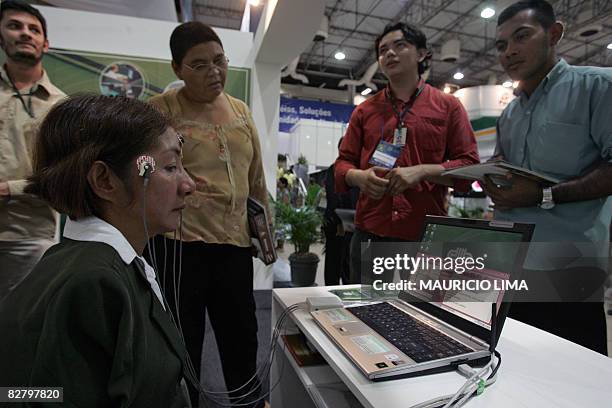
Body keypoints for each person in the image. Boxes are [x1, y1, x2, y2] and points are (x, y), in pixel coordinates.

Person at [0, 95, 196, 407]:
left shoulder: (99, 266)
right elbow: (43, 396)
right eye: (170, 167)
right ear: (105, 180)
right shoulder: (93, 283)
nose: (189, 184)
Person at [148, 22, 269, 407]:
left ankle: (248, 403)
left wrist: (265, 233)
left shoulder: (240, 111)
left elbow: (257, 180)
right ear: (177, 69)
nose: (214, 72)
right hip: (179, 247)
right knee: (183, 341)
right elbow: (139, 169)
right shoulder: (160, 110)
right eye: (199, 65)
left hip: (233, 247)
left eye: (219, 61)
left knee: (241, 335)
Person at [483, 0, 611, 354]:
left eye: (521, 37)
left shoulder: (596, 88)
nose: (509, 51)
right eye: (501, 45)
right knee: (506, 368)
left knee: (571, 377)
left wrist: (543, 196)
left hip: (568, 269)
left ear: (554, 34)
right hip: (510, 266)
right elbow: (512, 174)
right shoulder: (509, 112)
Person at [334, 22, 480, 284]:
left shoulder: (448, 107)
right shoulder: (365, 111)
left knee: (423, 320)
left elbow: (469, 167)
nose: (389, 53)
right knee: (367, 314)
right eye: (383, 50)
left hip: (424, 238)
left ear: (422, 53)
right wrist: (359, 177)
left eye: (400, 45)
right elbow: (343, 163)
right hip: (371, 232)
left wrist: (423, 171)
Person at [0, 0, 65, 300]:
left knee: (19, 327)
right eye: (15, 26)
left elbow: (63, 172)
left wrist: (8, 189)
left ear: (46, 44)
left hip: (28, 234)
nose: (25, 33)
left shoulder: (61, 107)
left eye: (34, 29)